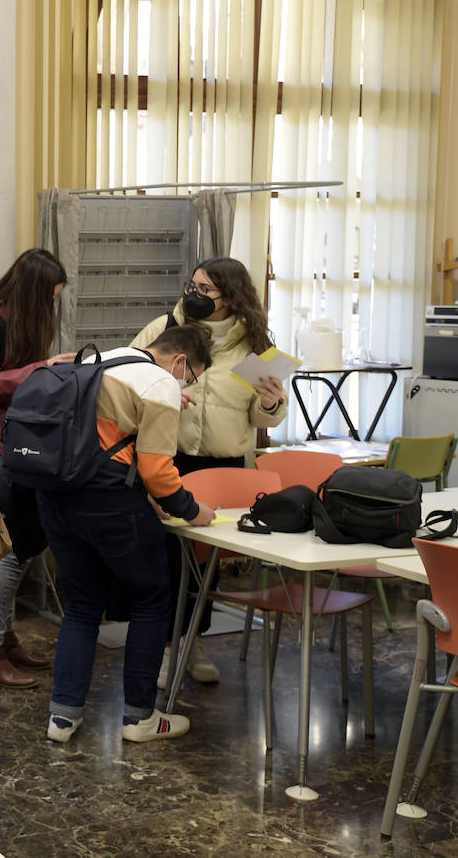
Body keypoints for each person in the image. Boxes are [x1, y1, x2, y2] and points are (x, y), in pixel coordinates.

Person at [38, 325, 216, 745]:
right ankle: (140, 717)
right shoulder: (159, 383)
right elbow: (157, 471)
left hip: (55, 495)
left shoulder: (96, 358)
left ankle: (63, 717)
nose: (185, 385)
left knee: (82, 604)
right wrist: (193, 511)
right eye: (190, 377)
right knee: (153, 599)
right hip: (108, 503)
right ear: (179, 362)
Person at [130, 257, 287, 687]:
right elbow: (129, 375)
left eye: (205, 290)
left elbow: (264, 418)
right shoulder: (164, 327)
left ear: (230, 298)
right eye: (192, 285)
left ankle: (193, 642)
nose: (193, 295)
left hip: (222, 465)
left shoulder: (255, 346)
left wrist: (272, 402)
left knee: (206, 562)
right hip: (169, 457)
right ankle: (164, 648)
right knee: (165, 559)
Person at [0, 249, 76, 689]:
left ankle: (3, 639)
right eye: (49, 297)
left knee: (25, 545)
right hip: (0, 450)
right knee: (12, 551)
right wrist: (42, 369)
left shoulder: (26, 320)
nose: (51, 306)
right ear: (33, 292)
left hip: (27, 446)